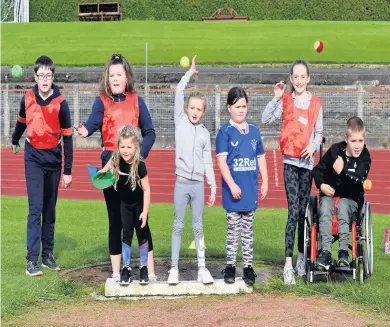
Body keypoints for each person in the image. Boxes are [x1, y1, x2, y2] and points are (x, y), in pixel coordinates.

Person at [75, 54, 156, 281]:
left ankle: (149, 271)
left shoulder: (137, 100)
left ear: (127, 76)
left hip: (133, 167)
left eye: (119, 74)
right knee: (116, 220)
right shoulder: (101, 101)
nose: (116, 78)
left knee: (141, 218)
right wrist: (84, 130)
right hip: (111, 168)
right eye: (112, 75)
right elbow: (92, 122)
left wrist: (140, 154)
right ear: (107, 79)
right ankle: (117, 271)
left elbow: (150, 132)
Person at [261, 59, 323, 285]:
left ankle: (301, 257)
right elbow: (265, 118)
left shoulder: (316, 104)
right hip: (290, 163)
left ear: (308, 78)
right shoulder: (286, 101)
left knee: (304, 213)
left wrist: (313, 146)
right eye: (295, 77)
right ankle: (287, 264)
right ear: (290, 79)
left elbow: (319, 133)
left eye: (302, 76)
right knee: (293, 210)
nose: (298, 80)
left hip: (306, 165)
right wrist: (276, 98)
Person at [11, 55, 73, 276]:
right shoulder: (27, 98)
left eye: (48, 75)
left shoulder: (61, 103)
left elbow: (67, 138)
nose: (44, 79)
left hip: (54, 161)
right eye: (41, 75)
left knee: (50, 210)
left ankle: (47, 256)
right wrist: (14, 139)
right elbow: (20, 121)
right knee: (35, 209)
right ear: (35, 77)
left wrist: (68, 171)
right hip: (33, 158)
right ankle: (31, 260)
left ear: (53, 77)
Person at [167, 55, 217, 285]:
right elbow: (178, 91)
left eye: (199, 109)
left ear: (204, 112)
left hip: (198, 184)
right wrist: (189, 74)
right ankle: (174, 268)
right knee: (178, 225)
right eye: (192, 107)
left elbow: (208, 162)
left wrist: (213, 186)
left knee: (198, 227)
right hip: (181, 182)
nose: (195, 112)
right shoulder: (180, 121)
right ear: (186, 108)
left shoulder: (205, 134)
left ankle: (202, 268)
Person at [216, 87, 268, 286]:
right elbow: (222, 163)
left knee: (248, 231)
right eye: (237, 106)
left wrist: (265, 180)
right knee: (232, 231)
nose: (241, 110)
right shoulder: (225, 133)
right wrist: (232, 185)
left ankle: (247, 267)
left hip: (250, 191)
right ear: (229, 107)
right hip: (233, 193)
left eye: (244, 106)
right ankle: (230, 266)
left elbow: (260, 157)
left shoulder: (254, 131)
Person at [312, 116, 371, 270]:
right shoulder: (335, 151)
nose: (357, 145)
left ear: (364, 139)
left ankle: (343, 253)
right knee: (324, 206)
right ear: (346, 139)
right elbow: (318, 169)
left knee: (343, 206)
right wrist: (322, 184)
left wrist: (342, 171)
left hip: (351, 199)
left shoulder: (365, 158)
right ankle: (325, 253)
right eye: (353, 141)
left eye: (360, 141)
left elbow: (359, 180)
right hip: (330, 196)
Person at [99, 125, 151, 284]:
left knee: (142, 236)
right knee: (126, 235)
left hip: (139, 206)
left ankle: (144, 267)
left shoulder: (140, 165)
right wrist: (100, 173)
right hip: (124, 205)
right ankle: (126, 268)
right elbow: (106, 169)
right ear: (118, 147)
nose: (125, 150)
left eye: (129, 147)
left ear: (136, 147)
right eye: (122, 146)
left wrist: (145, 211)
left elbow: (147, 190)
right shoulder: (116, 158)